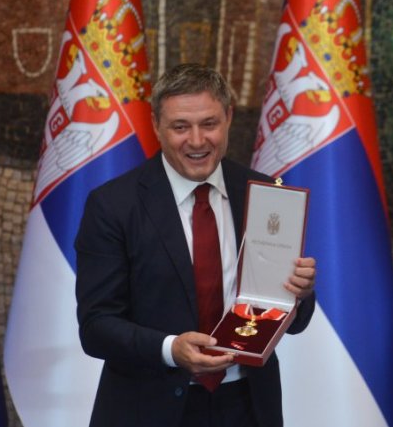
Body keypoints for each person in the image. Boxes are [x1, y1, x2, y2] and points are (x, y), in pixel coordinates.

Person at [76, 63, 316, 427]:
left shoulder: (266, 194)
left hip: (248, 406)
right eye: (180, 127)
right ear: (156, 125)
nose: (197, 140)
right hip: (148, 410)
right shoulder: (113, 205)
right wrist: (171, 349)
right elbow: (96, 327)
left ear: (228, 117)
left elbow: (291, 318)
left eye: (209, 123)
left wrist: (300, 293)